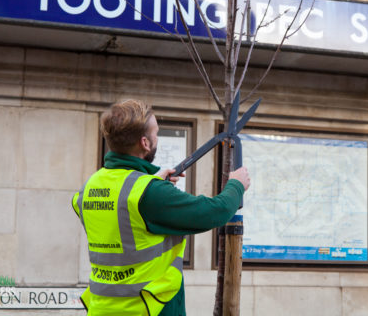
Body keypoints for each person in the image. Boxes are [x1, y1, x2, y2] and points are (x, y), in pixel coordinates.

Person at [72, 99, 250, 316]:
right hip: (147, 309)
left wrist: (150, 182)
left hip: (101, 309)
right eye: (156, 134)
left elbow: (122, 206)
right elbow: (214, 212)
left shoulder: (87, 189)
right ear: (145, 143)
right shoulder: (149, 194)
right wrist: (236, 185)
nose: (157, 139)